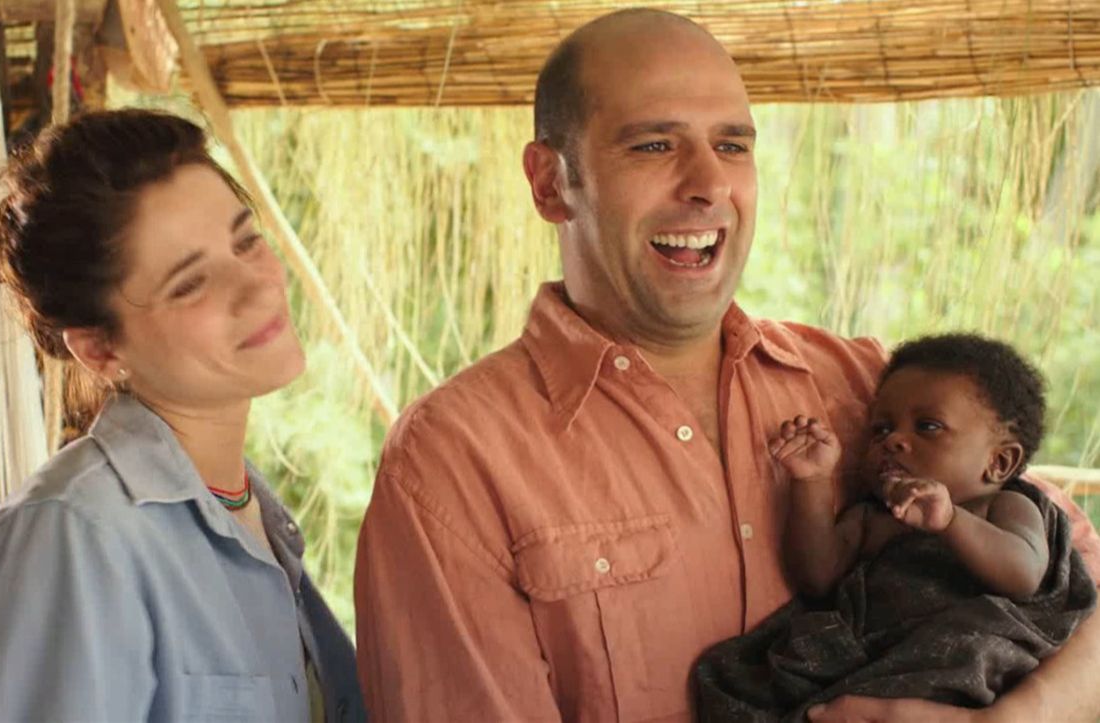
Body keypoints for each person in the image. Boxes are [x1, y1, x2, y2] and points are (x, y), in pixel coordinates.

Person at [354, 8, 1100, 722]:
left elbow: (1073, 579)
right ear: (552, 182)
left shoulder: (871, 385)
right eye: (654, 145)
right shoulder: (452, 461)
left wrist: (1027, 714)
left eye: (734, 146)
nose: (709, 184)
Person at [0, 109, 365, 722]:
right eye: (190, 284)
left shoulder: (249, 513)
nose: (255, 285)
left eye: (246, 240)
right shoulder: (78, 538)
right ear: (99, 348)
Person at [693, 334, 1096, 721]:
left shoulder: (1006, 504)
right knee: (736, 677)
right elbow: (816, 577)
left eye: (929, 427)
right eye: (881, 429)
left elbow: (1024, 574)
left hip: (962, 659)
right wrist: (812, 481)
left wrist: (952, 521)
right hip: (874, 659)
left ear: (999, 463)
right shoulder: (874, 516)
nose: (894, 441)